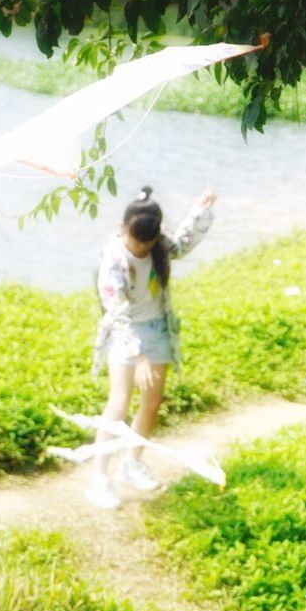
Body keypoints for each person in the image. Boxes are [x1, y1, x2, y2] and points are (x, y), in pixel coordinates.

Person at [86, 186, 215, 510]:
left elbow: (182, 243)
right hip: (125, 333)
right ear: (123, 229)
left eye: (146, 242)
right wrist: (138, 356)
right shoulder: (114, 259)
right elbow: (115, 314)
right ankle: (99, 479)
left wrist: (200, 210)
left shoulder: (158, 244)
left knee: (153, 402)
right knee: (119, 403)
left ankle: (132, 462)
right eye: (136, 241)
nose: (141, 247)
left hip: (157, 329)